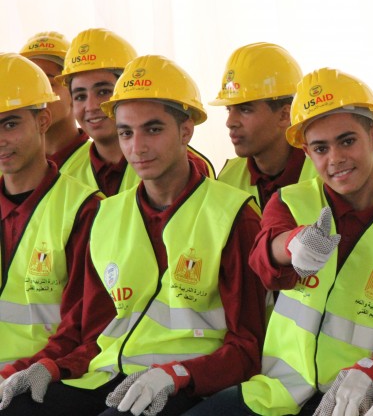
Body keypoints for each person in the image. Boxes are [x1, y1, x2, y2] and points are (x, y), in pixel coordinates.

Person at [0, 55, 266, 416]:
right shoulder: (108, 215)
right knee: (16, 408)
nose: (137, 147)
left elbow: (248, 346)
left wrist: (179, 374)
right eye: (126, 132)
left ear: (186, 130)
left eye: (153, 129)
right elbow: (89, 333)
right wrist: (51, 367)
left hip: (190, 381)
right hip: (107, 374)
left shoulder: (233, 215)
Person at [187, 67, 373, 416]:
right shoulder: (290, 202)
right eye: (321, 148)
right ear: (307, 154)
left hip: (361, 396)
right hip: (274, 394)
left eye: (347, 141)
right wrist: (294, 245)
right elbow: (266, 258)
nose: (335, 159)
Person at [0, 53, 101, 383]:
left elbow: (82, 331)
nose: (0, 139)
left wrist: (15, 372)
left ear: (43, 121)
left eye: (10, 123)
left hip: (41, 379)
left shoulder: (84, 209)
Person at [58, 29, 214, 196]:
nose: (91, 106)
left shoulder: (182, 166)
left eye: (103, 92)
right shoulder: (64, 173)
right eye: (80, 96)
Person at [211, 42, 317, 209]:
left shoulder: (326, 172)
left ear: (284, 115)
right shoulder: (227, 179)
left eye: (245, 109)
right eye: (228, 109)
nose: (230, 122)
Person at [19, 32, 90, 168]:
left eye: (48, 83)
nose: (37, 93)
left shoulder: (101, 164)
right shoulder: (8, 167)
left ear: (75, 90)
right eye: (27, 84)